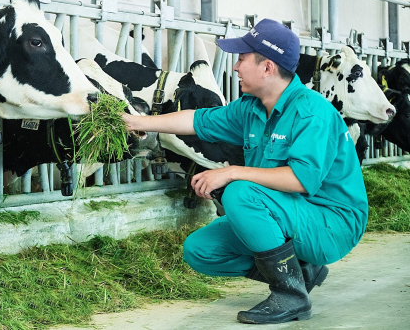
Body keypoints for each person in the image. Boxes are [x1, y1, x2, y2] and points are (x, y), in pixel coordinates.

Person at [122, 19, 368, 325]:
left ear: (267, 67)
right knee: (200, 250)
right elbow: (196, 120)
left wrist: (231, 173)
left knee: (239, 191)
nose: (236, 67)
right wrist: (139, 122)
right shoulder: (251, 107)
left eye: (241, 59)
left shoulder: (311, 112)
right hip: (288, 214)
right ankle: (300, 272)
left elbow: (300, 180)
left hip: (331, 223)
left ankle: (291, 296)